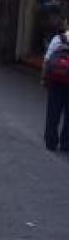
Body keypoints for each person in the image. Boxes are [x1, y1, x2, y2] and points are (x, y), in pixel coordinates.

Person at [42, 18, 69, 152]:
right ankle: (66, 143)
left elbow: (47, 60)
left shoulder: (58, 39)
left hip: (56, 82)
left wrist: (44, 78)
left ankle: (50, 141)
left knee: (53, 112)